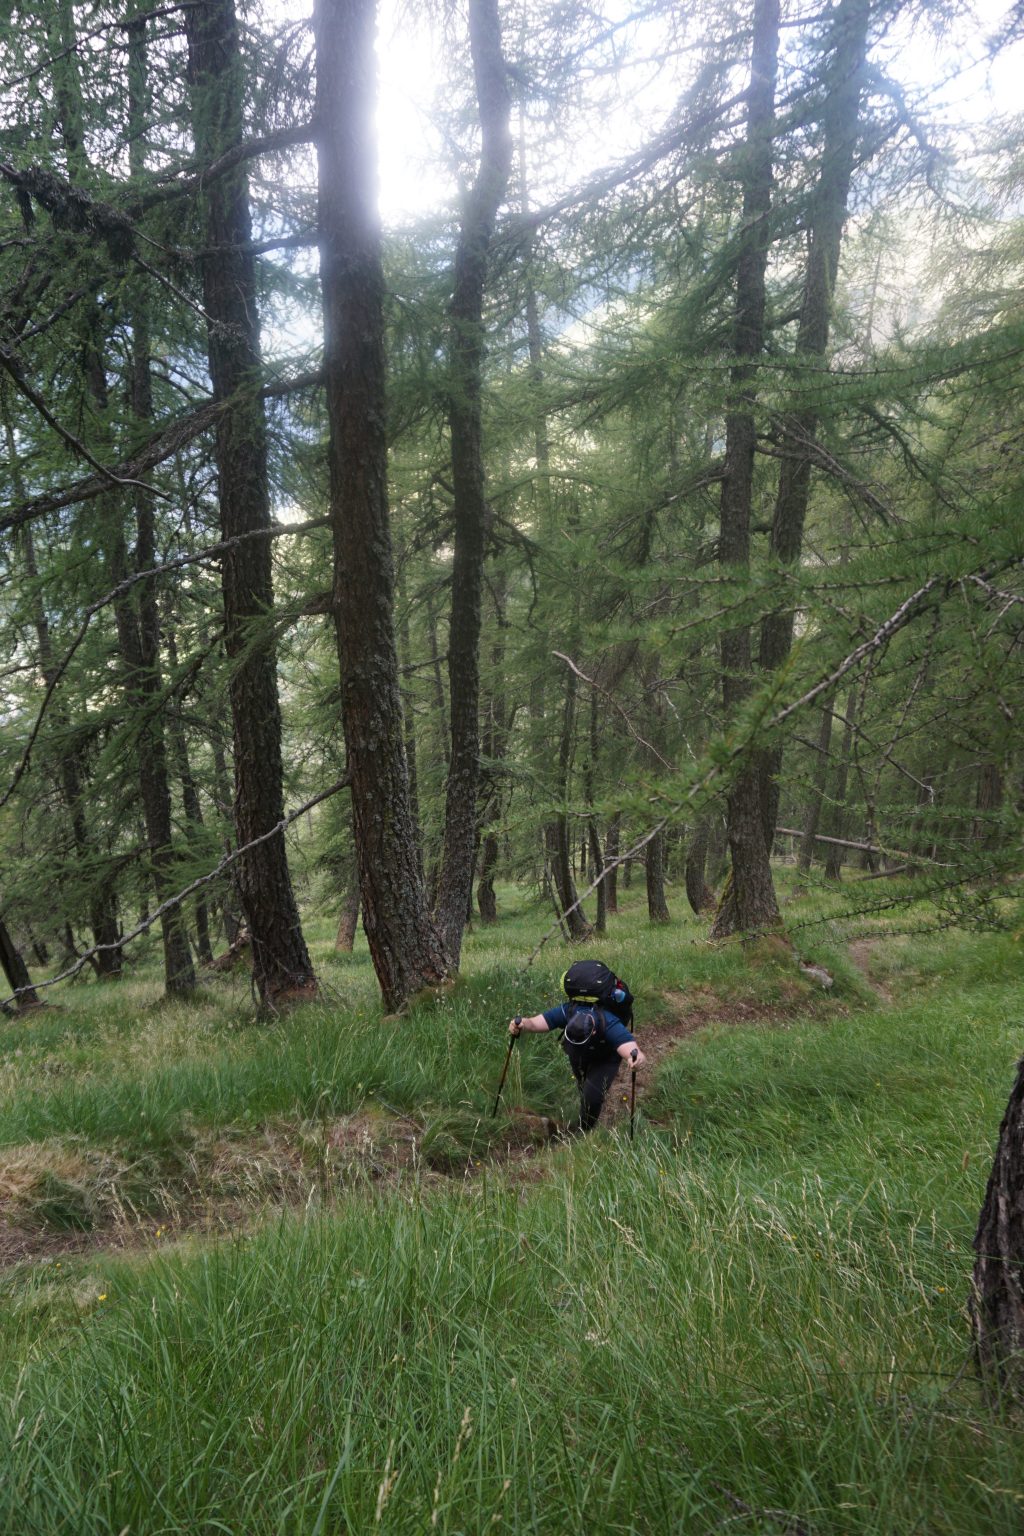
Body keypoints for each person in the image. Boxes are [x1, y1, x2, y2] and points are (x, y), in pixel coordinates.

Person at [509, 960, 646, 1133]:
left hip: (605, 1058)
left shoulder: (607, 1021)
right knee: (583, 1086)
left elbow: (629, 1046)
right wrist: (522, 1024)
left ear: (594, 1031)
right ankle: (587, 1108)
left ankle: (585, 1130)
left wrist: (636, 1058)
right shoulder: (568, 1010)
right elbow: (537, 1023)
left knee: (592, 1096)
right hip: (577, 1054)